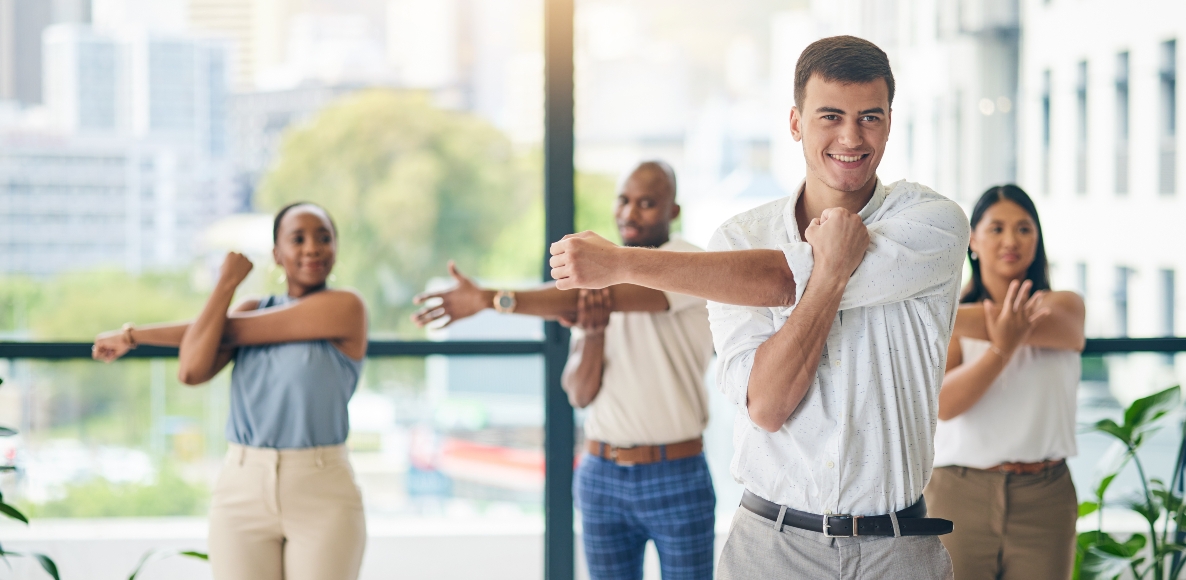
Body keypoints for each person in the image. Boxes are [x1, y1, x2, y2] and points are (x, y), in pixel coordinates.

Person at [547, 36, 968, 579]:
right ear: (795, 122)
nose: (850, 136)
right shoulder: (736, 240)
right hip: (771, 550)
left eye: (870, 117)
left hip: (898, 548)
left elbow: (778, 277)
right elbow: (767, 407)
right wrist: (833, 270)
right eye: (830, 116)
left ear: (889, 122)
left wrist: (623, 263)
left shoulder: (934, 223)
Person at [412, 161, 717, 580]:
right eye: (624, 200)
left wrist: (489, 299)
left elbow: (590, 299)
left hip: (676, 472)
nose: (629, 213)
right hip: (601, 472)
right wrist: (592, 335)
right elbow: (579, 393)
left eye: (647, 203)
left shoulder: (686, 262)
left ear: (673, 211)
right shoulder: (600, 280)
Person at [92, 202, 368, 580]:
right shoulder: (252, 307)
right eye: (298, 238)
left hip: (320, 488)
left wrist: (133, 336)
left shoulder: (345, 307)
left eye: (324, 238)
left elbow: (236, 331)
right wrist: (226, 284)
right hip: (242, 485)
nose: (313, 248)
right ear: (276, 253)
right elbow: (191, 370)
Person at [924, 185, 1085, 580]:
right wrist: (1003, 347)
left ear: (1037, 239)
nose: (1011, 240)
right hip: (960, 491)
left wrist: (941, 313)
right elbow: (945, 406)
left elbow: (1040, 325)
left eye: (1024, 229)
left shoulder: (1064, 306)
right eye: (996, 228)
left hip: (1045, 496)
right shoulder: (956, 320)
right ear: (973, 240)